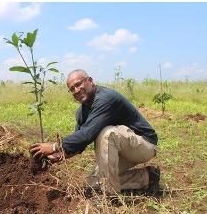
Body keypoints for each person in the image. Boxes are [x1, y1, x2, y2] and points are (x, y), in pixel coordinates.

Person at [30, 69, 159, 196]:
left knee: (107, 134)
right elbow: (79, 143)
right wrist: (58, 156)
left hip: (143, 145)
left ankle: (110, 195)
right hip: (121, 148)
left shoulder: (105, 99)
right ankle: (148, 177)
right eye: (72, 89)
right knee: (93, 182)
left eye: (78, 84)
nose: (76, 90)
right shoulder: (81, 112)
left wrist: (54, 146)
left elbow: (86, 135)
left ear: (90, 81)